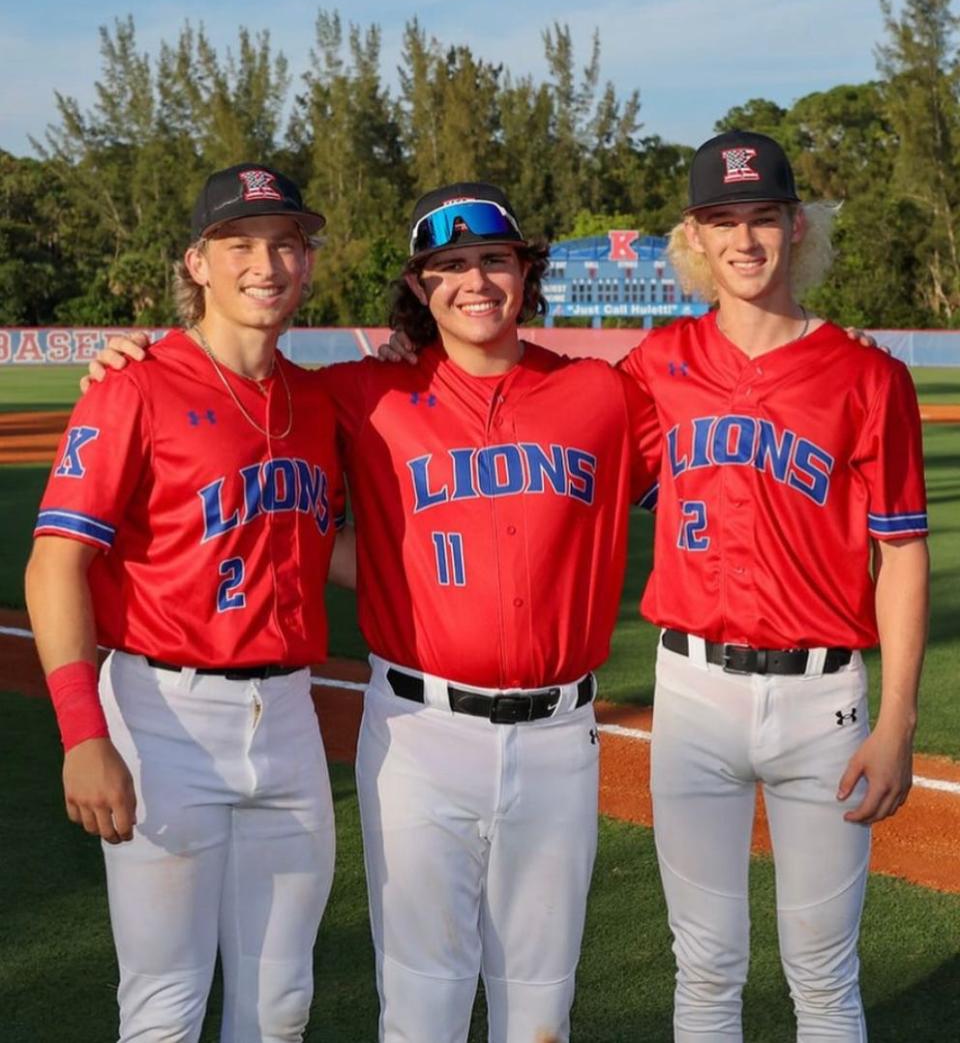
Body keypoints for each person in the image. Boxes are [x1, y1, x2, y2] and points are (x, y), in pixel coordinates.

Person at [84, 181, 661, 1043]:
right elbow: (260, 463)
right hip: (420, 730)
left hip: (557, 735)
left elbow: (722, 463)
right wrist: (129, 358)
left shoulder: (603, 396)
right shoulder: (360, 394)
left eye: (493, 259)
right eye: (449, 265)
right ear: (420, 288)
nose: (474, 281)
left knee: (541, 1006)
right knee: (420, 1002)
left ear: (527, 271)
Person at [27, 163, 352, 1042]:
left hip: (287, 716)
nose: (266, 262)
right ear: (197, 262)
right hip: (162, 714)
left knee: (280, 1005)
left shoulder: (316, 400)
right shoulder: (132, 383)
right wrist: (82, 733)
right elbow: (55, 562)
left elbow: (336, 548)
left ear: (309, 263)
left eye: (286, 243)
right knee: (166, 1006)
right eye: (239, 243)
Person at [618, 130, 929, 1041]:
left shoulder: (869, 375)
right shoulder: (653, 369)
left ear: (797, 228)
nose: (744, 240)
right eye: (723, 220)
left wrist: (899, 720)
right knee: (706, 967)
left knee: (824, 975)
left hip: (822, 699)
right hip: (693, 691)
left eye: (763, 218)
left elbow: (902, 556)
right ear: (696, 238)